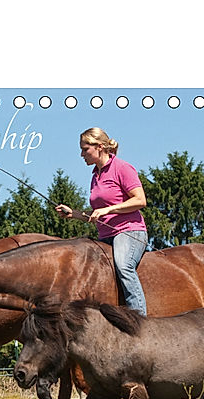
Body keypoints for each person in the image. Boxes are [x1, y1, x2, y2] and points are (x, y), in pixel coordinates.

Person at [56, 127, 148, 315]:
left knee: (123, 265)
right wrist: (73, 213)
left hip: (129, 231)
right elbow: (96, 214)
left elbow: (140, 200)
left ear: (99, 147)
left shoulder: (121, 168)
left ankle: (140, 317)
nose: (81, 154)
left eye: (85, 149)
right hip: (105, 235)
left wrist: (108, 209)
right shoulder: (95, 176)